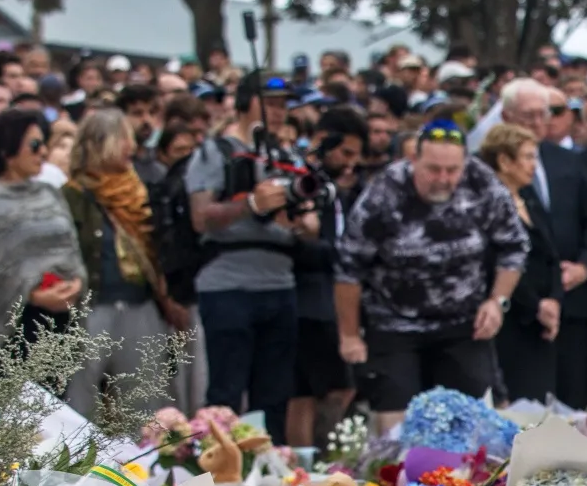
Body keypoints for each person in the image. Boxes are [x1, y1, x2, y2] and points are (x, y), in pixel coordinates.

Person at [337, 121, 528, 431]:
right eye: (433, 169)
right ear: (414, 160)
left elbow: (514, 248)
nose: (443, 179)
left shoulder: (482, 183)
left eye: (452, 170)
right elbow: (349, 266)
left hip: (463, 320)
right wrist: (349, 335)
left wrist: (497, 301)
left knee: (482, 422)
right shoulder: (386, 190)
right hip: (394, 319)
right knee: (396, 428)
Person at [187, 72, 320, 439]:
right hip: (228, 283)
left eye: (283, 105)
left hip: (280, 283)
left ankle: (269, 469)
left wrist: (302, 219)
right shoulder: (216, 152)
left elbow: (311, 222)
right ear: (246, 103)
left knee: (275, 394)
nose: (278, 112)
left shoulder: (287, 156)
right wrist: (251, 204)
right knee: (226, 393)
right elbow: (201, 216)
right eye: (270, 103)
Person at [58, 109, 177, 417]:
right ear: (100, 143)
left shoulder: (138, 192)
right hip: (93, 306)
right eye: (122, 138)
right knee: (80, 402)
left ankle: (141, 464)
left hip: (140, 305)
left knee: (143, 401)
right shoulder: (71, 196)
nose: (131, 146)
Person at [495, 77, 587, 405]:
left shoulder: (570, 160)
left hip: (570, 296)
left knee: (569, 394)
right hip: (519, 305)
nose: (537, 123)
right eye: (528, 115)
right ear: (507, 115)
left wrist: (585, 266)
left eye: (544, 114)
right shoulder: (490, 174)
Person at [0, 110, 85, 344]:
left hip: (64, 316)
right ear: (6, 149)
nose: (43, 152)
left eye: (44, 144)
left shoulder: (50, 193)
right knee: (27, 382)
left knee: (62, 380)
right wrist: (33, 294)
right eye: (35, 145)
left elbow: (71, 247)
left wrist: (76, 282)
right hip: (17, 323)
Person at [286, 105, 367, 447]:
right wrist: (333, 250)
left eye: (357, 155)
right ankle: (312, 461)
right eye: (345, 152)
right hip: (308, 301)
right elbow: (299, 244)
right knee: (309, 391)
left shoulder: (338, 192)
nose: (351, 163)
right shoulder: (302, 183)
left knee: (328, 389)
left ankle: (318, 458)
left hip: (331, 299)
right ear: (323, 141)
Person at [479, 122, 562, 400]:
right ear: (504, 160)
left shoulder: (530, 200)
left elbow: (551, 256)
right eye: (527, 157)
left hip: (542, 320)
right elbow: (503, 261)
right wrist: (536, 304)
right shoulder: (489, 204)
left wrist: (553, 300)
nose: (533, 166)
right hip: (512, 318)